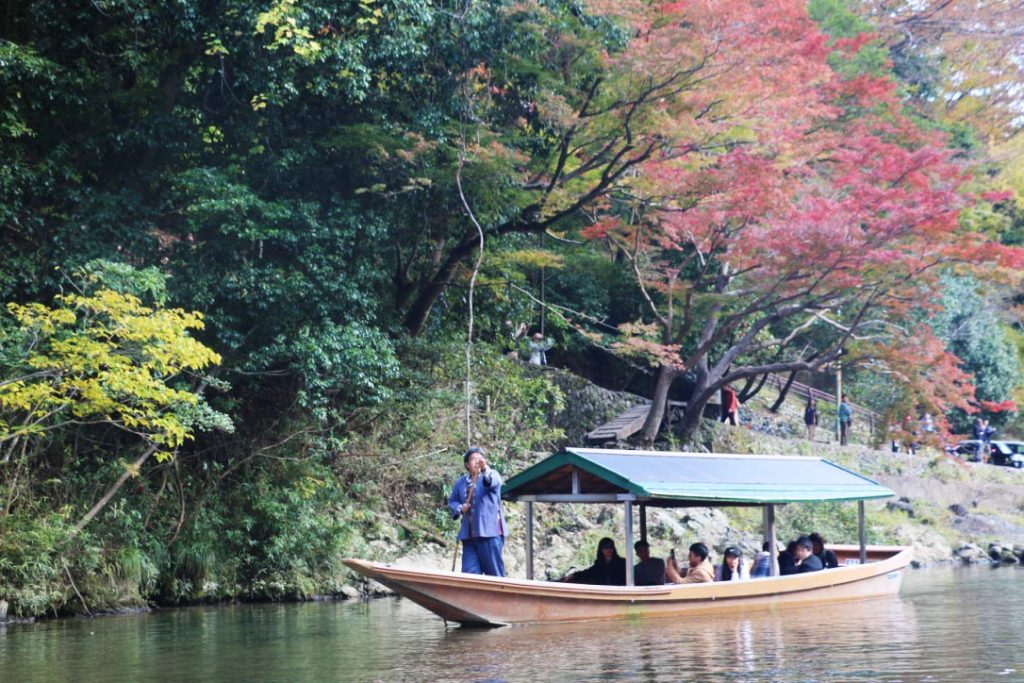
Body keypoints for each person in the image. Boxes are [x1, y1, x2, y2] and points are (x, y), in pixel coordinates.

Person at [447, 446, 506, 577]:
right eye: (473, 459)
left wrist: (485, 470)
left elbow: (492, 483)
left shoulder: (492, 475)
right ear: (467, 464)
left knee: (495, 575)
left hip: (490, 535)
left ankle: (500, 597)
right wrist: (460, 508)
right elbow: (452, 502)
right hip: (469, 537)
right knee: (469, 576)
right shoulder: (460, 482)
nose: (476, 462)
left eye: (479, 459)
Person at [563, 537, 627, 585]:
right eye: (605, 547)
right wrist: (574, 575)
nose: (608, 549)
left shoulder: (623, 563)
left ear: (614, 548)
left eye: (610, 547)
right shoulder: (599, 565)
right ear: (601, 550)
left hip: (619, 593)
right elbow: (587, 573)